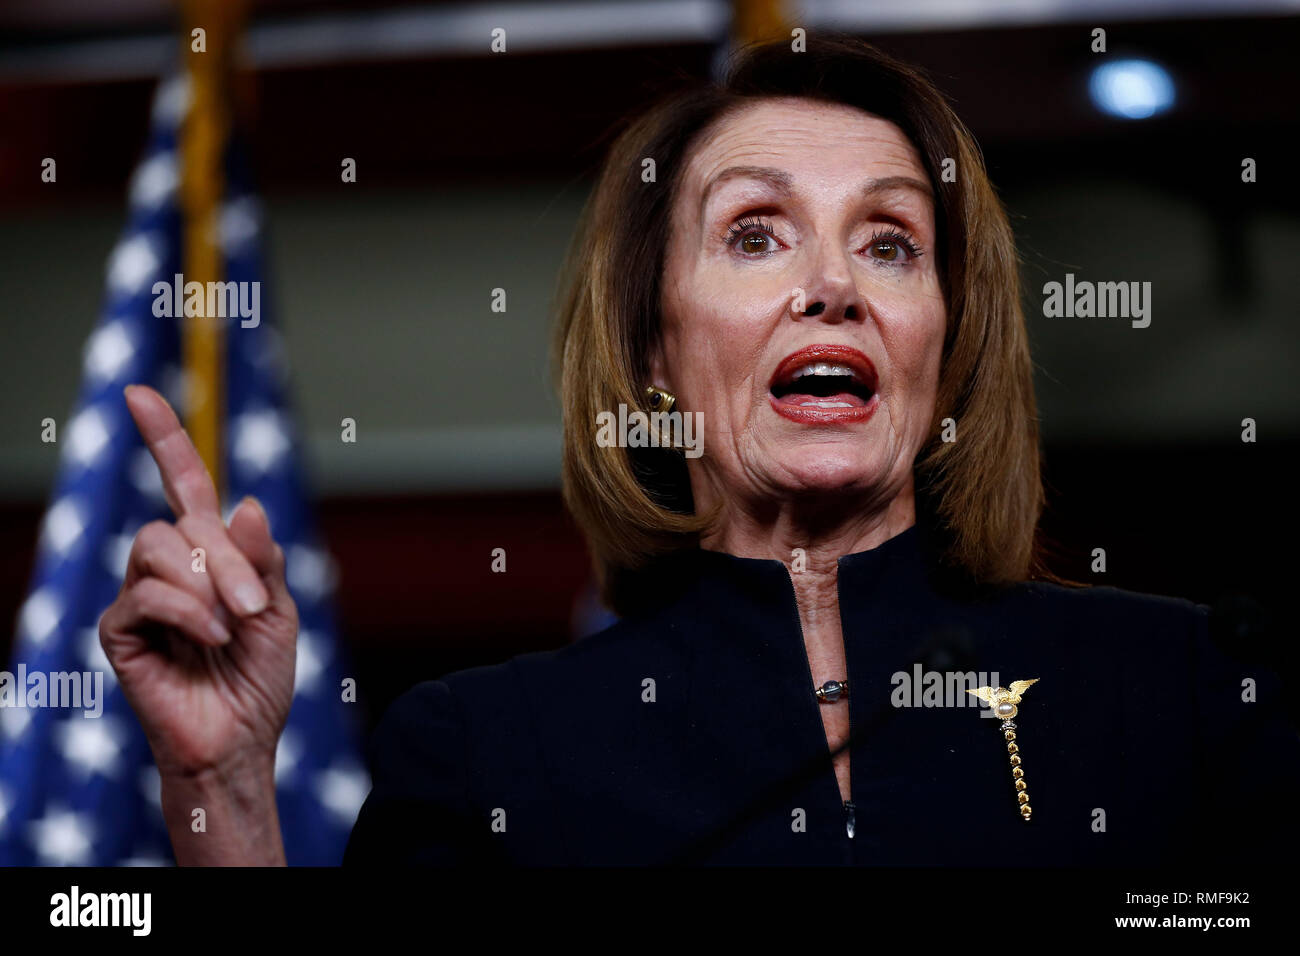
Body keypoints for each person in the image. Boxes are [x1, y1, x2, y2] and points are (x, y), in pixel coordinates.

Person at [101, 35, 1299, 866]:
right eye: (755, 232)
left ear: (950, 344)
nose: (831, 285)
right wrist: (223, 789)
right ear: (656, 354)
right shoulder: (487, 752)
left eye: (888, 242)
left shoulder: (1183, 689)